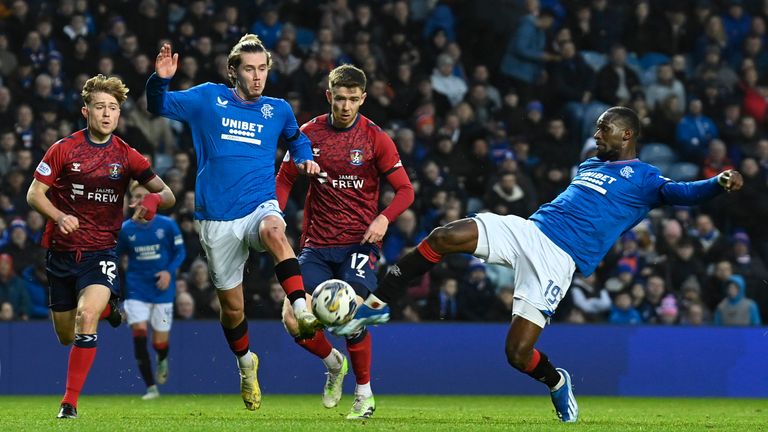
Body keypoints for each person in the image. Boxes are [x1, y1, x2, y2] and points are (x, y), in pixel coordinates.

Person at [335, 106, 744, 423]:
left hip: (557, 262)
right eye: (597, 127)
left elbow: (684, 193)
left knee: (516, 353)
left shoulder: (645, 178)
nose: (596, 133)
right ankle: (381, 301)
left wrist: (718, 184)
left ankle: (557, 381)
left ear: (627, 134)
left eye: (604, 128)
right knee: (445, 235)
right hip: (530, 230)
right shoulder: (590, 165)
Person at [145, 34, 321, 411]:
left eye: (262, 69)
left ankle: (301, 306)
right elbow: (157, 104)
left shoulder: (279, 109)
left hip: (260, 202)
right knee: (234, 309)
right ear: (233, 71)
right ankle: (245, 364)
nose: (258, 77)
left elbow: (296, 139)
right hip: (217, 218)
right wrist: (160, 79)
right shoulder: (208, 98)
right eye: (249, 69)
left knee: (276, 230)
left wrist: (305, 157)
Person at [26, 74, 176, 419]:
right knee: (66, 335)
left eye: (113, 108)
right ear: (86, 111)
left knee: (85, 316)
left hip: (101, 253)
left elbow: (166, 194)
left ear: (119, 114)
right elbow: (34, 194)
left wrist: (152, 201)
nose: (107, 114)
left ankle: (69, 403)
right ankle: (111, 310)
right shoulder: (64, 149)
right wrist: (59, 215)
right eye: (100, 107)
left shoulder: (127, 155)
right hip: (62, 253)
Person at [275, 64, 414, 419]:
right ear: (329, 96)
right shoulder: (308, 135)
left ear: (363, 98)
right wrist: (273, 214)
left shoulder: (375, 138)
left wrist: (383, 218)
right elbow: (285, 179)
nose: (347, 106)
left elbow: (405, 191)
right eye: (340, 98)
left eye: (354, 99)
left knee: (349, 313)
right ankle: (333, 363)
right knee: (292, 318)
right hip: (317, 246)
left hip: (359, 244)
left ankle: (364, 394)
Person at [116, 183, 186, 400]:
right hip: (136, 288)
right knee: (139, 334)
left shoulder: (167, 225)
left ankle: (162, 358)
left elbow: (180, 252)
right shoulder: (126, 229)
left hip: (162, 290)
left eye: (143, 196)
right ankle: (150, 387)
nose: (139, 201)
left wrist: (168, 272)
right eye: (135, 196)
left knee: (159, 342)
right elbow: (115, 257)